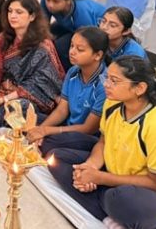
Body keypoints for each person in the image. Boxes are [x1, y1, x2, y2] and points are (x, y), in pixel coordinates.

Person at [49, 56, 156, 229]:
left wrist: (100, 178)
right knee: (57, 159)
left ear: (139, 88)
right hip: (117, 175)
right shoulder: (112, 103)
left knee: (121, 198)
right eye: (106, 78)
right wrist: (90, 167)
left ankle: (113, 208)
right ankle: (113, 214)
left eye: (114, 81)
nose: (106, 84)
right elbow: (103, 142)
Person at [0, 0, 65, 142]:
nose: (12, 16)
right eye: (10, 11)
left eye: (19, 12)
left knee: (18, 108)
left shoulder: (43, 45)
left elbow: (39, 84)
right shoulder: (3, 38)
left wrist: (0, 101)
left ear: (32, 16)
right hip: (4, 88)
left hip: (30, 96)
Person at [26, 26, 108, 156]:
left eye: (80, 49)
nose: (72, 52)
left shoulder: (104, 85)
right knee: (24, 115)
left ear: (97, 55)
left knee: (49, 143)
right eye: (72, 46)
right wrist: (41, 130)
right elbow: (62, 110)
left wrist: (47, 131)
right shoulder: (73, 71)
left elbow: (88, 128)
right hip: (67, 126)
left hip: (86, 136)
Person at [42, 0, 106, 70]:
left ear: (68, 0)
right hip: (69, 25)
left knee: (61, 46)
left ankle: (67, 72)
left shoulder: (81, 10)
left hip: (92, 31)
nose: (50, 5)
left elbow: (90, 39)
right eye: (48, 0)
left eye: (56, 1)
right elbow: (43, 23)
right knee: (44, 38)